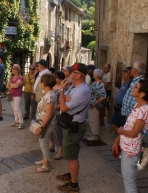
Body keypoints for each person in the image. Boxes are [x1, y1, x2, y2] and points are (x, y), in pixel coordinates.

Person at [112, 79, 148, 193]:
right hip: (126, 146)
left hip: (131, 150)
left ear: (142, 94)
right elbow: (128, 126)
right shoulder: (138, 105)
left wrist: (118, 130)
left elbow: (133, 133)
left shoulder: (144, 110)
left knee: (129, 180)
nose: (132, 88)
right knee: (127, 177)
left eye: (136, 87)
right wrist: (117, 141)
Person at [56, 63, 91, 193]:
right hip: (70, 124)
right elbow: (62, 102)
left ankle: (74, 185)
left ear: (79, 75)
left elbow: (63, 107)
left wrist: (61, 91)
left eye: (71, 73)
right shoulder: (75, 87)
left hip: (74, 126)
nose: (69, 75)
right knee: (70, 154)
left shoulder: (82, 91)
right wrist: (63, 97)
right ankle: (70, 175)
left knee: (72, 156)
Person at [33, 74, 57, 172]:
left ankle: (46, 165)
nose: (40, 83)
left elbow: (49, 114)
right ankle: (44, 159)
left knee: (44, 143)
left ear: (45, 83)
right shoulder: (48, 94)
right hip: (44, 123)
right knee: (42, 141)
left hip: (47, 124)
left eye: (41, 81)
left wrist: (41, 127)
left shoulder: (49, 96)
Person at [110, 67, 132, 133]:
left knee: (123, 126)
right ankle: (120, 138)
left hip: (123, 109)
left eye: (125, 72)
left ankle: (121, 140)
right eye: (123, 72)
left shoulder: (130, 83)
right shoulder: (125, 82)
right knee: (113, 124)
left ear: (130, 74)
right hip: (118, 108)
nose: (123, 74)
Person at [87, 69, 107, 141]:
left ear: (96, 75)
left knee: (93, 120)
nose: (93, 74)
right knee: (94, 119)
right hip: (92, 104)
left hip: (95, 105)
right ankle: (94, 132)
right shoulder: (95, 82)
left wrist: (95, 103)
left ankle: (95, 135)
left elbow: (103, 96)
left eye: (94, 73)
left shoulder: (100, 84)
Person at [52, 71, 66, 160]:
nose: (54, 78)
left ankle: (60, 150)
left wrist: (57, 107)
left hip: (59, 112)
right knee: (52, 130)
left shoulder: (64, 88)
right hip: (52, 111)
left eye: (56, 77)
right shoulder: (53, 86)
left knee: (58, 131)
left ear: (60, 79)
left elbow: (64, 100)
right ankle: (52, 145)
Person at [7, 64, 24, 129]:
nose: (12, 70)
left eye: (13, 69)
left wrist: (11, 84)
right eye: (12, 69)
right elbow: (7, 86)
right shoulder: (11, 77)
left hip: (17, 95)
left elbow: (17, 86)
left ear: (17, 70)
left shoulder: (20, 77)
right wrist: (13, 85)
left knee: (17, 108)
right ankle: (16, 120)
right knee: (14, 109)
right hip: (11, 95)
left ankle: (21, 122)